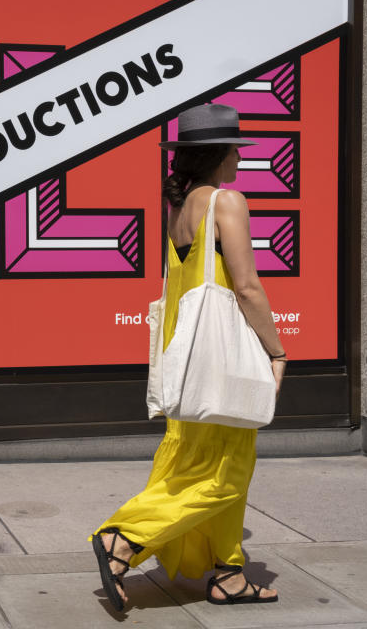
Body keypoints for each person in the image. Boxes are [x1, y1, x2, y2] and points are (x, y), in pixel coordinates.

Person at [89, 104, 287, 611]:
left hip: (190, 354)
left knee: (203, 459)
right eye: (237, 147)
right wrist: (277, 349)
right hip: (220, 360)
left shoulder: (179, 207)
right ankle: (125, 539)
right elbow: (245, 287)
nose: (241, 156)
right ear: (220, 153)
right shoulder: (228, 201)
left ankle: (229, 574)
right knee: (228, 471)